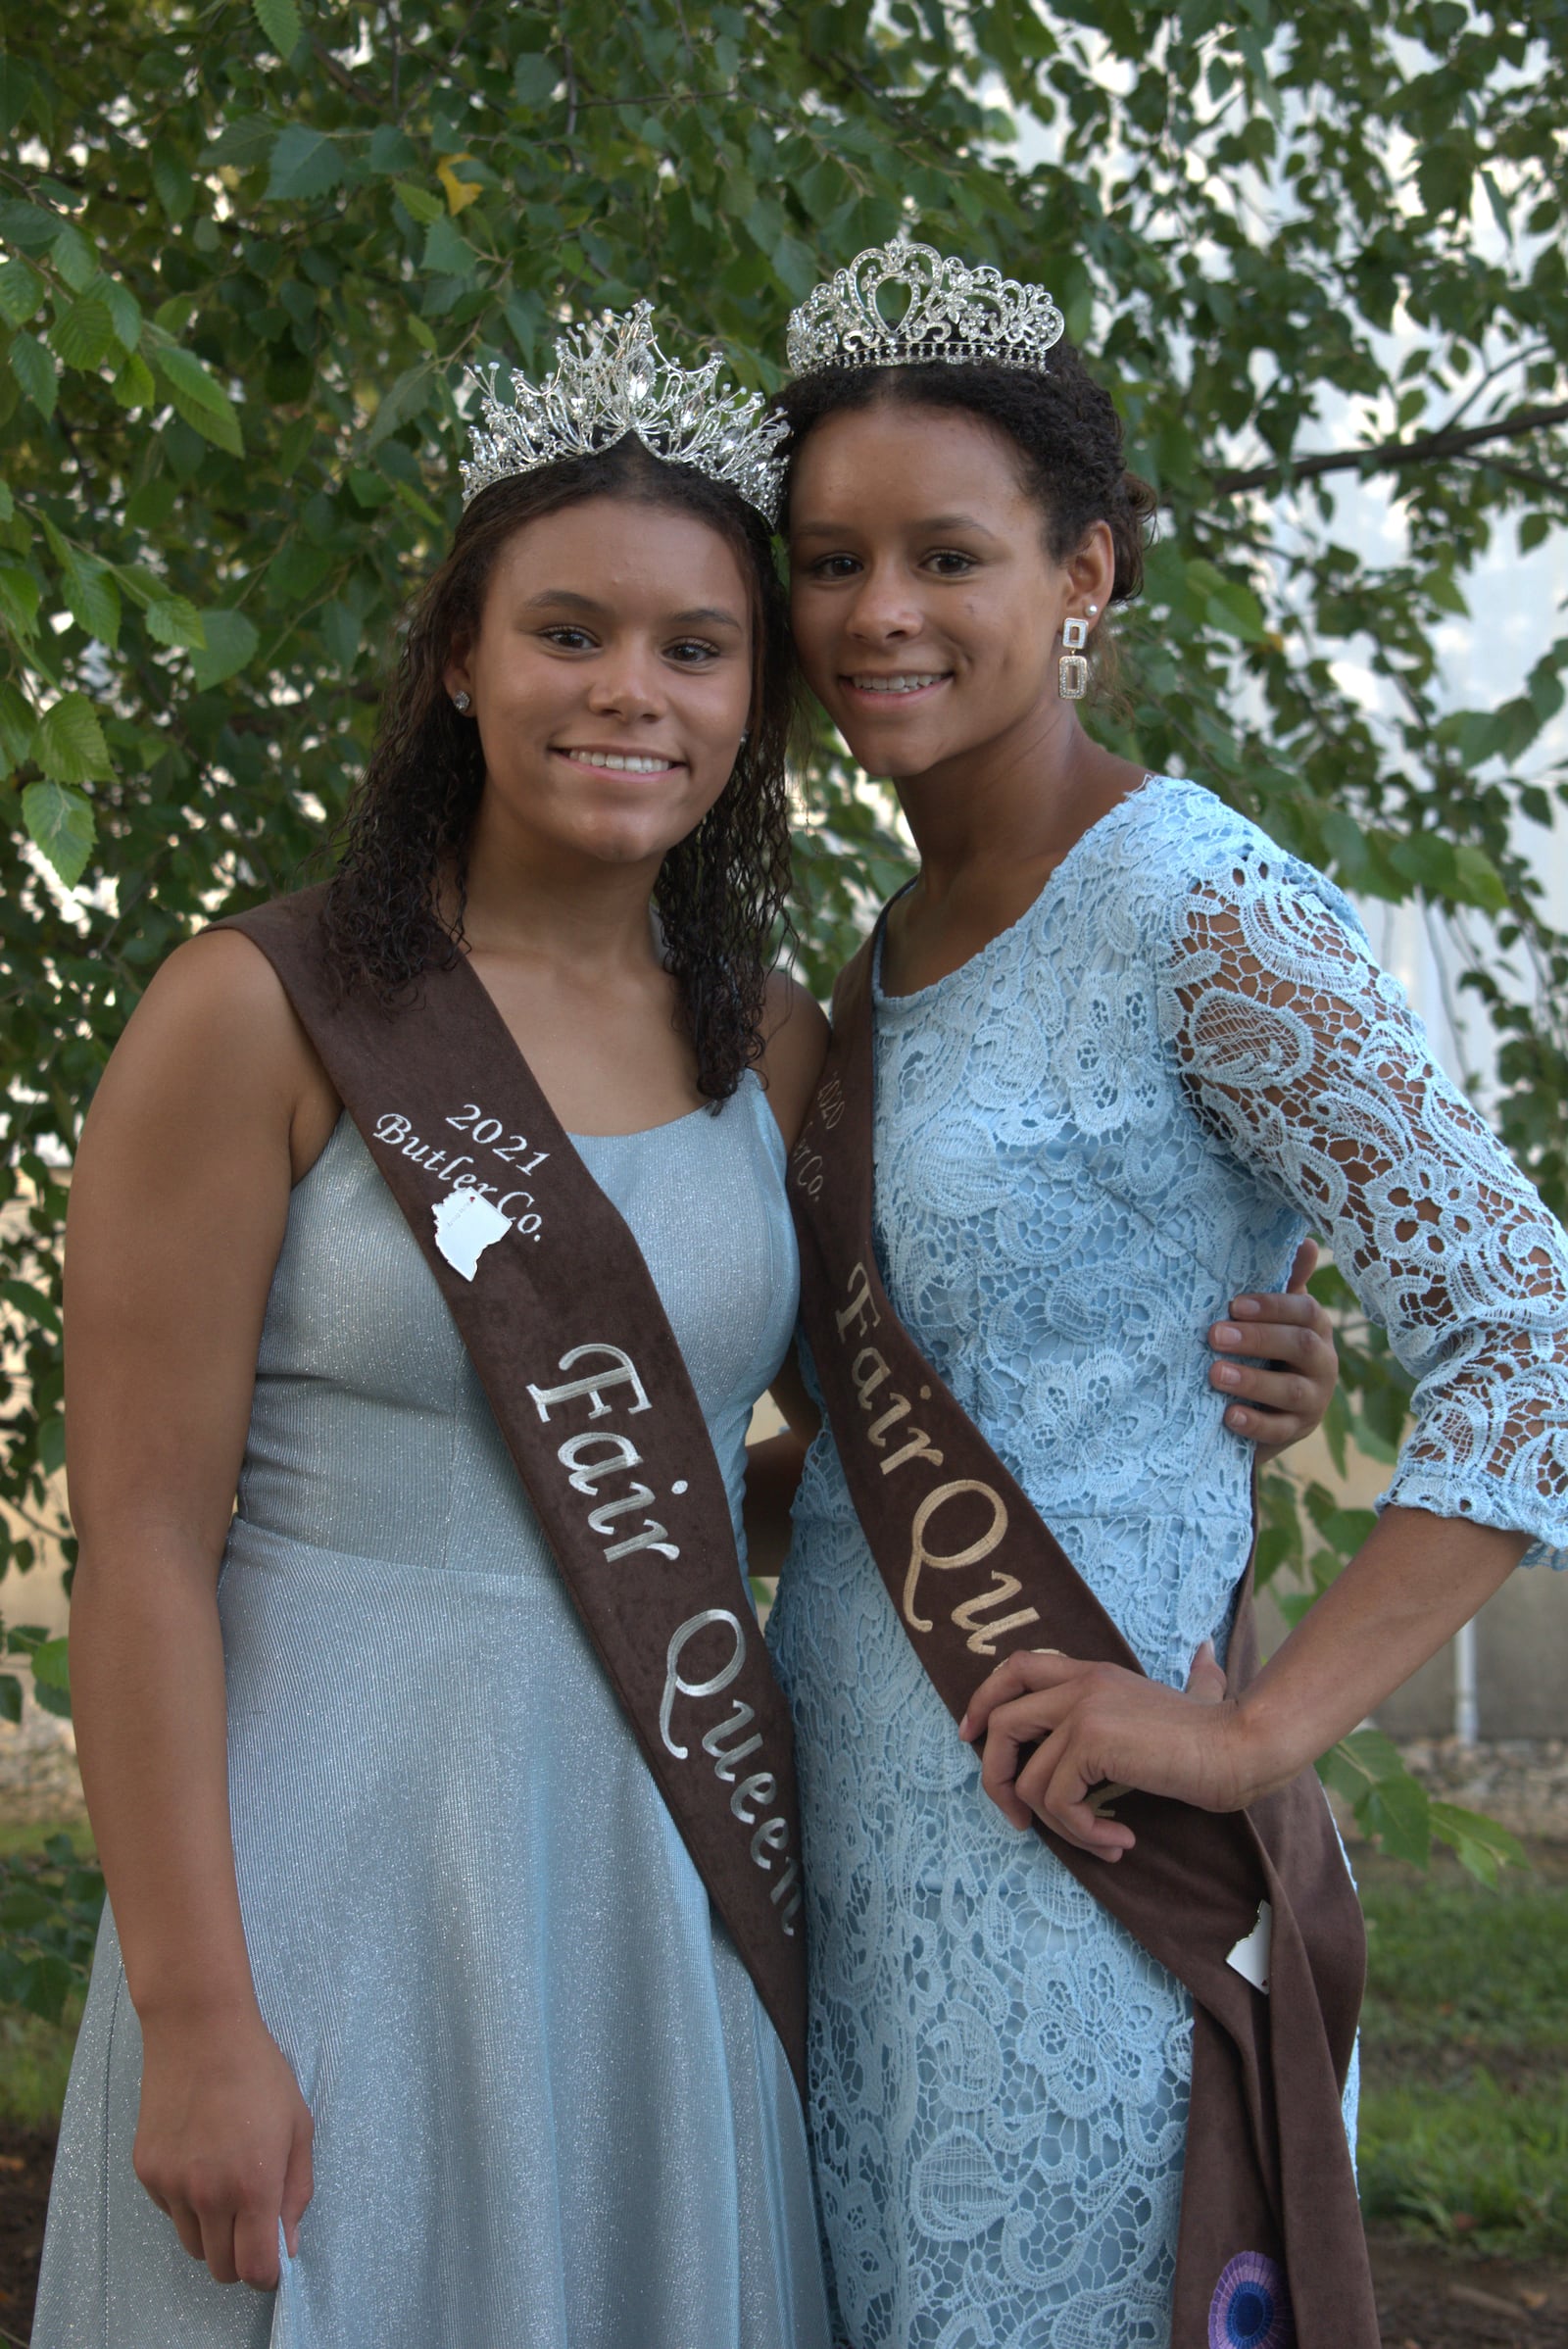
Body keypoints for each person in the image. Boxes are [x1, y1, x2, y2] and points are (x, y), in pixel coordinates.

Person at [762, 241, 1568, 2349]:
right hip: (853, 1838)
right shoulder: (889, 935)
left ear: (1084, 574)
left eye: (946, 553)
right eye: (828, 559)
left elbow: (1527, 1331)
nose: (879, 612)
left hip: (1084, 1878)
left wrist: (1256, 1723)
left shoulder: (1200, 908)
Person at [33, 307, 834, 2349]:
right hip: (330, 1853)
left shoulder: (767, 1040)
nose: (626, 692)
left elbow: (794, 1445)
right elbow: (135, 1540)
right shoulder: (262, 1009)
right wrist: (202, 2011)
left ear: (753, 693)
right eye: (567, 631)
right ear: (461, 657)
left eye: (691, 646)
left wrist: (1224, 1387)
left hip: (656, 1862)